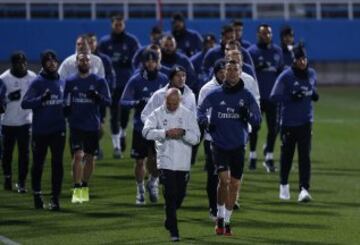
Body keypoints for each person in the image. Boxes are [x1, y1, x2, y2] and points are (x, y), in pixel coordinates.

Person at [198, 60, 261, 236]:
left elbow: (257, 119)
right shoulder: (215, 94)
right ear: (224, 73)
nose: (232, 73)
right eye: (229, 70)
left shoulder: (247, 96)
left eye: (236, 70)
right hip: (219, 145)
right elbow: (200, 110)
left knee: (234, 184)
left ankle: (226, 221)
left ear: (240, 72)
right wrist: (205, 122)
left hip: (238, 146)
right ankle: (219, 217)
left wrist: (248, 116)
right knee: (224, 181)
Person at [142, 88, 200, 242]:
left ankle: (169, 219)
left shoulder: (187, 114)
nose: (172, 106)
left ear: (180, 101)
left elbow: (196, 138)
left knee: (180, 195)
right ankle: (174, 231)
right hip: (165, 161)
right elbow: (146, 132)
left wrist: (183, 133)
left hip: (183, 163)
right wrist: (165, 133)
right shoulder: (157, 113)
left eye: (175, 103)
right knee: (170, 195)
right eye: (169, 103)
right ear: (164, 100)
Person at [270, 44, 319, 202]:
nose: (303, 62)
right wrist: (290, 96)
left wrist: (314, 93)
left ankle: (304, 189)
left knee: (305, 157)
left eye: (304, 58)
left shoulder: (312, 73)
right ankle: (284, 185)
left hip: (306, 122)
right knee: (287, 157)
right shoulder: (286, 76)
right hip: (289, 124)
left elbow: (312, 88)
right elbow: (274, 96)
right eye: (299, 59)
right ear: (294, 60)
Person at [120, 50, 168, 205]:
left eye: (153, 61)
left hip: (158, 127)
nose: (150, 63)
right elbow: (123, 101)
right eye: (148, 61)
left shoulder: (164, 79)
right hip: (140, 127)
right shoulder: (135, 80)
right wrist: (135, 103)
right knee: (140, 161)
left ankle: (153, 182)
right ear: (143, 63)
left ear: (157, 62)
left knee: (156, 161)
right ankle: (140, 190)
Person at [64, 52, 111, 203]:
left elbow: (108, 101)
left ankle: (84, 185)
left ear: (91, 63)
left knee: (90, 157)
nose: (84, 62)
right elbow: (66, 101)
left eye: (86, 60)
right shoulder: (70, 81)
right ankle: (77, 188)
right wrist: (66, 111)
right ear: (76, 63)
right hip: (76, 125)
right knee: (78, 155)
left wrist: (97, 96)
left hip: (92, 125)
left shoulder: (99, 81)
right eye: (81, 60)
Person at [21, 50, 66, 210]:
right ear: (43, 64)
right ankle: (37, 194)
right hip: (40, 131)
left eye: (54, 60)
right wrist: (41, 99)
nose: (52, 63)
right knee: (38, 164)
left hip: (59, 129)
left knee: (57, 164)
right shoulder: (38, 82)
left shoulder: (62, 82)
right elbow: (25, 103)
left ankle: (55, 198)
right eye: (48, 61)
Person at [98, 15, 141, 157]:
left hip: (127, 83)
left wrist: (129, 62)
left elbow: (140, 59)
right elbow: (99, 62)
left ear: (124, 25)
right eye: (116, 24)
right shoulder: (104, 42)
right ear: (112, 25)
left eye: (120, 24)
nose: (118, 26)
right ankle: (116, 146)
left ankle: (122, 133)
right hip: (110, 85)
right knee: (113, 114)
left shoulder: (132, 41)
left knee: (125, 112)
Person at [248, 24, 284, 172]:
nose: (266, 35)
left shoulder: (277, 51)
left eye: (268, 33)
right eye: (263, 33)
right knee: (254, 127)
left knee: (273, 128)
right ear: (258, 35)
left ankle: (269, 156)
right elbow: (247, 74)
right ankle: (252, 155)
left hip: (272, 97)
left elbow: (281, 74)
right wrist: (257, 67)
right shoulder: (252, 52)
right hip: (256, 97)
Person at [0, 51, 36, 192]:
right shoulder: (4, 79)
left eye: (23, 62)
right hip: (7, 122)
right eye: (18, 63)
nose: (22, 65)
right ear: (13, 64)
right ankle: (8, 178)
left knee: (24, 154)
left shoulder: (33, 77)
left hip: (25, 121)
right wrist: (9, 97)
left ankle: (21, 182)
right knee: (7, 153)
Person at [197, 59, 226, 220]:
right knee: (214, 174)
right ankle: (213, 207)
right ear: (215, 73)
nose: (223, 74)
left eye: (225, 71)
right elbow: (200, 111)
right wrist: (208, 123)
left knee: (228, 175)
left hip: (231, 137)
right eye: (220, 72)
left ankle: (225, 205)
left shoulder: (234, 87)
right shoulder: (207, 89)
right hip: (212, 138)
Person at [86, 33, 116, 160]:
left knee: (99, 125)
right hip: (82, 98)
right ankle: (87, 149)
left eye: (92, 42)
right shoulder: (78, 58)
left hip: (99, 98)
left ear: (96, 43)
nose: (90, 45)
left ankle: (96, 146)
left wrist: (107, 90)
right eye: (88, 42)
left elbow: (111, 76)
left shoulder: (104, 59)